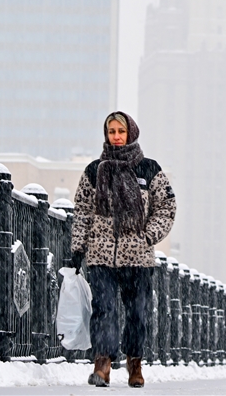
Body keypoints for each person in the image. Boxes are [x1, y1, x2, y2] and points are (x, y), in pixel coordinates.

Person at [71, 112, 176, 388]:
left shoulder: (148, 169)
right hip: (101, 254)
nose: (116, 136)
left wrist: (148, 236)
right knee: (103, 308)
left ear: (131, 132)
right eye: (111, 131)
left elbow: (166, 208)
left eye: (121, 131)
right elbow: (82, 211)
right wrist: (78, 247)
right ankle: (103, 363)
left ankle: (135, 362)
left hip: (137, 257)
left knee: (137, 312)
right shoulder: (95, 171)